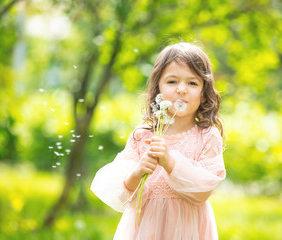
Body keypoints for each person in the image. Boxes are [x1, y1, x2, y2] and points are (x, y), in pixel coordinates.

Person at [91, 42, 226, 240]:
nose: (181, 89)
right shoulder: (144, 136)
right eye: (172, 82)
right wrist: (137, 172)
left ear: (204, 95)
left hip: (187, 229)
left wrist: (170, 162)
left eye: (192, 83)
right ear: (158, 90)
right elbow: (125, 195)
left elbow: (203, 190)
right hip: (147, 229)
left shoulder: (207, 137)